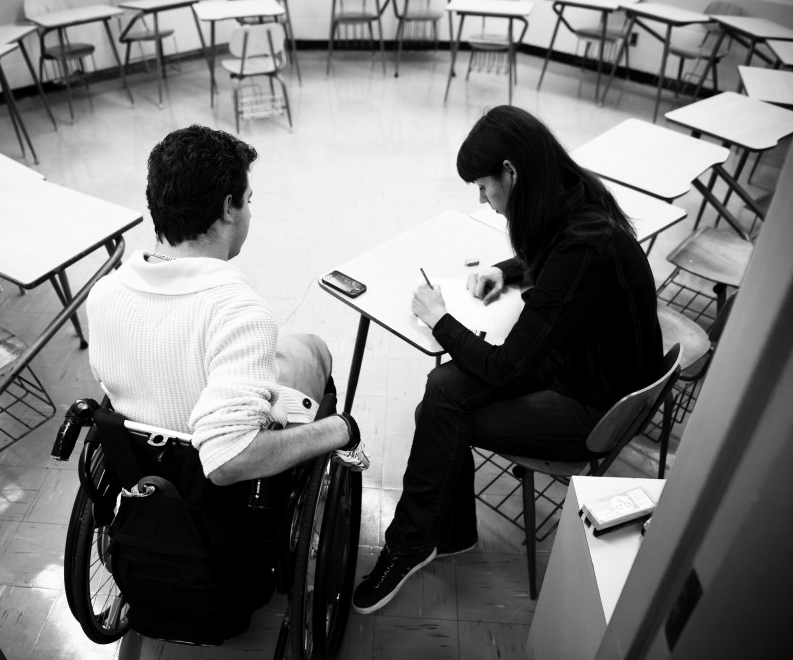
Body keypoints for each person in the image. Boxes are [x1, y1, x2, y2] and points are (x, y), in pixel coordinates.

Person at [352, 106, 663, 614]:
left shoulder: (584, 242)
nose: (483, 199)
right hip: (583, 363)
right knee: (443, 394)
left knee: (444, 406)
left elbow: (506, 368)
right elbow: (559, 263)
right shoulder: (575, 196)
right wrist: (508, 270)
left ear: (512, 173)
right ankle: (444, 535)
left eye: (484, 186)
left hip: (597, 405)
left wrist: (439, 320)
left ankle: (413, 544)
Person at [87, 124, 368, 487]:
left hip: (144, 465)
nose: (249, 210)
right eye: (247, 200)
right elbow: (227, 458)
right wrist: (341, 429)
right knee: (311, 349)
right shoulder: (236, 312)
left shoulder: (105, 293)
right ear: (228, 209)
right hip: (218, 496)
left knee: (290, 348)